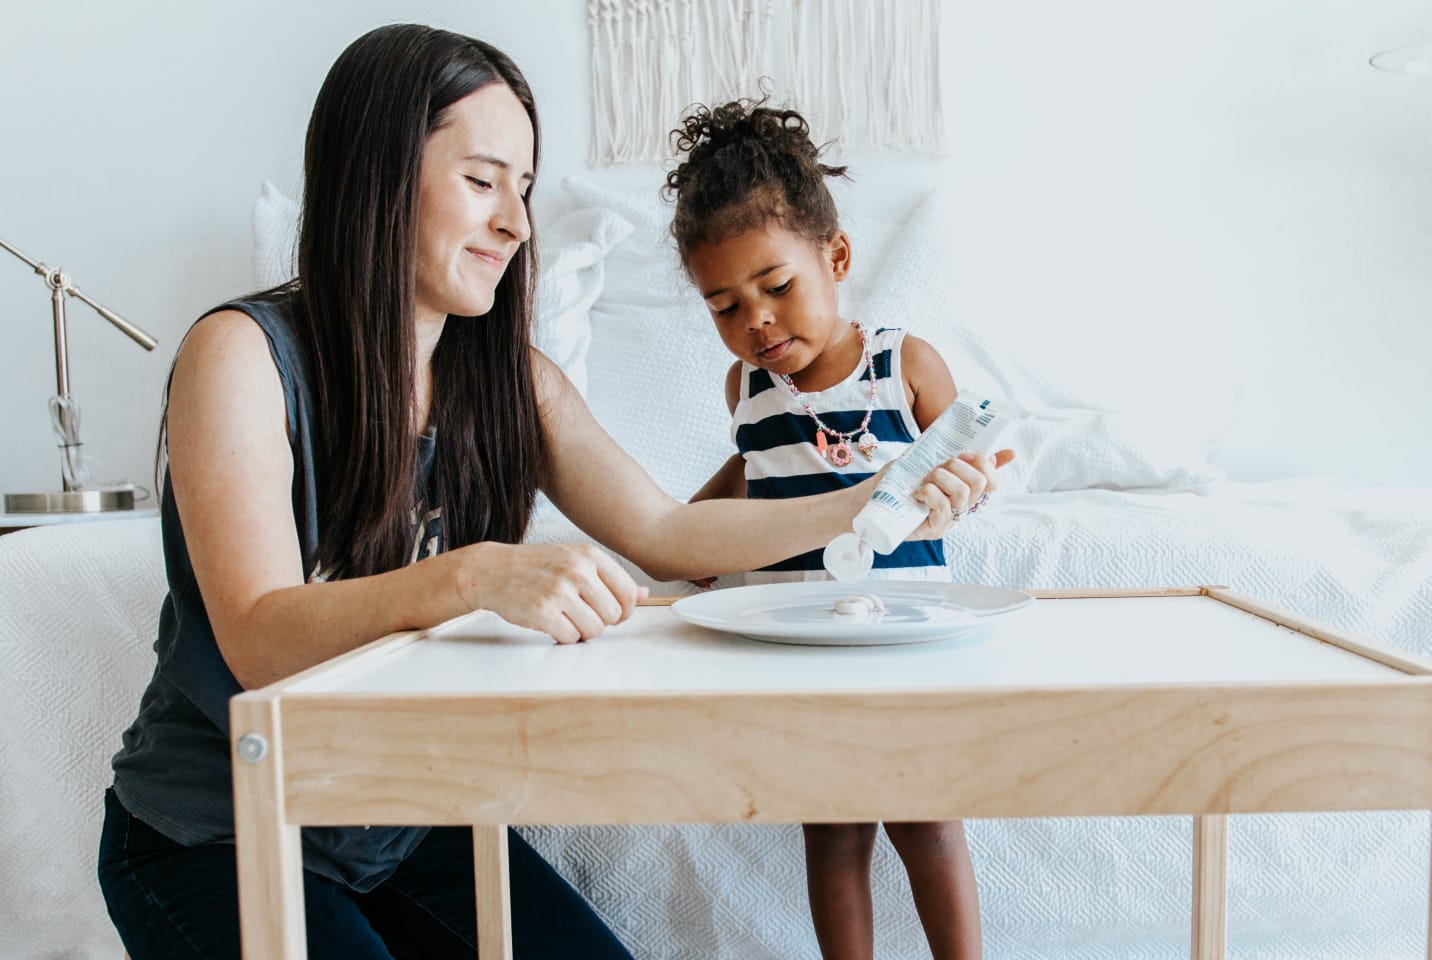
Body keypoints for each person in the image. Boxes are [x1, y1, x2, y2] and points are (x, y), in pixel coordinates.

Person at [95, 25, 996, 960]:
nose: (517, 225)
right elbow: (259, 637)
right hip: (218, 832)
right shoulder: (239, 356)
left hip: (399, 818)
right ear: (379, 173)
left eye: (522, 192)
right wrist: (473, 576)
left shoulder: (513, 382)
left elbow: (663, 530)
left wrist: (874, 496)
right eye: (484, 182)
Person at [668, 99, 1012, 959]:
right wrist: (679, 542)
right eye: (724, 306)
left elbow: (968, 463)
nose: (757, 323)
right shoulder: (744, 390)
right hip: (796, 637)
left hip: (902, 632)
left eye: (776, 288)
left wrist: (964, 491)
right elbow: (747, 481)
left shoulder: (903, 364)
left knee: (927, 821)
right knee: (831, 830)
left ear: (837, 258)